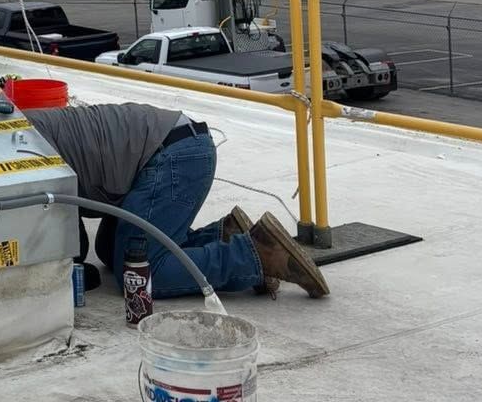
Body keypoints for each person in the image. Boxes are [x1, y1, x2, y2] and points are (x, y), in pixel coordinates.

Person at [25, 101, 328, 298]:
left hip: (174, 156)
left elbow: (68, 239)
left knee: (139, 275)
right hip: (167, 146)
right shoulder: (17, 125)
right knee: (109, 250)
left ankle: (255, 255)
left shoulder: (18, 154)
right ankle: (222, 234)